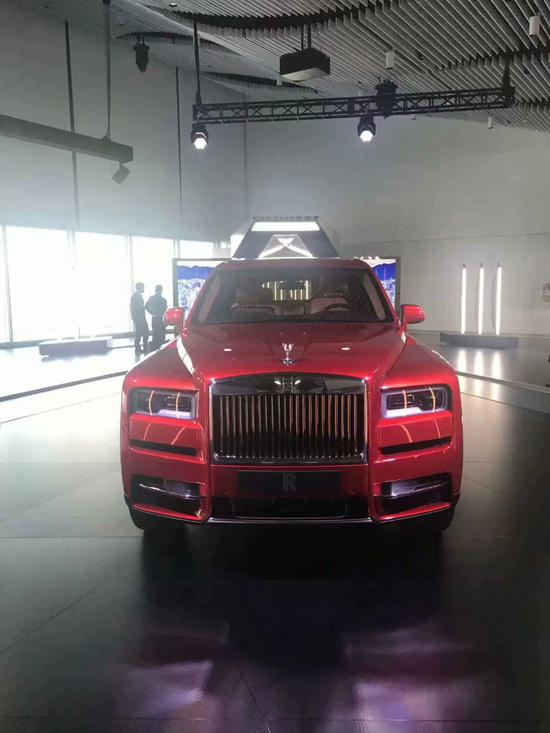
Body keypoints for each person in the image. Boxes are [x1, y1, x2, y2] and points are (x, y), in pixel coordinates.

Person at [146, 284, 168, 351]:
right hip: (161, 318)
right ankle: (161, 349)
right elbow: (165, 310)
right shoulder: (164, 300)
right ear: (161, 290)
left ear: (155, 290)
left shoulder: (151, 298)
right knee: (161, 334)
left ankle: (155, 349)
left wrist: (152, 313)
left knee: (155, 334)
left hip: (154, 318)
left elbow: (146, 306)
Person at [130, 282, 149, 355]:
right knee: (142, 333)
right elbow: (136, 308)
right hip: (139, 318)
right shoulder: (136, 296)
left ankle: (139, 348)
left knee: (141, 333)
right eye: (143, 287)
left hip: (139, 318)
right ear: (140, 288)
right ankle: (142, 348)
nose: (144, 289)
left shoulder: (137, 296)